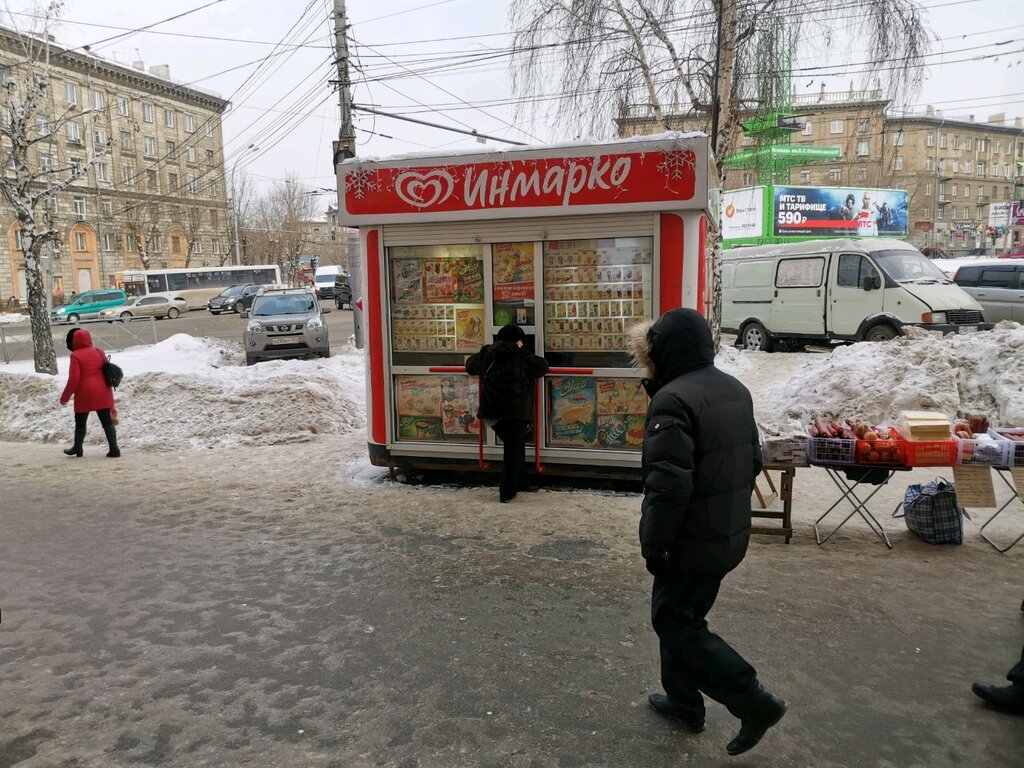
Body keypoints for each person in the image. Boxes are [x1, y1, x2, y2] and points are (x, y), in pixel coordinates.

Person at [628, 308, 785, 757]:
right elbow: (752, 461)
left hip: (690, 539)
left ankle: (752, 700)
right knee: (683, 617)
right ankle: (683, 703)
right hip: (726, 531)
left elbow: (668, 488)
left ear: (664, 352)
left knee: (674, 621)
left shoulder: (673, 399)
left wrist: (656, 545)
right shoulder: (733, 388)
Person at [465, 324, 548, 503]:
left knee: (516, 446)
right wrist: (523, 349)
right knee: (513, 450)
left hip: (492, 412)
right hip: (513, 411)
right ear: (519, 340)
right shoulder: (521, 354)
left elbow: (470, 366)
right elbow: (541, 367)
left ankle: (521, 482)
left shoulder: (487, 352)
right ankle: (507, 492)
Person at [59, 328, 119, 458]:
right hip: (103, 392)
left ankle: (78, 448)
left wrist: (65, 397)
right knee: (107, 422)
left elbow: (74, 378)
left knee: (80, 422)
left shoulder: (75, 355)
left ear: (74, 341)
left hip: (84, 394)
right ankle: (114, 449)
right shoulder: (99, 352)